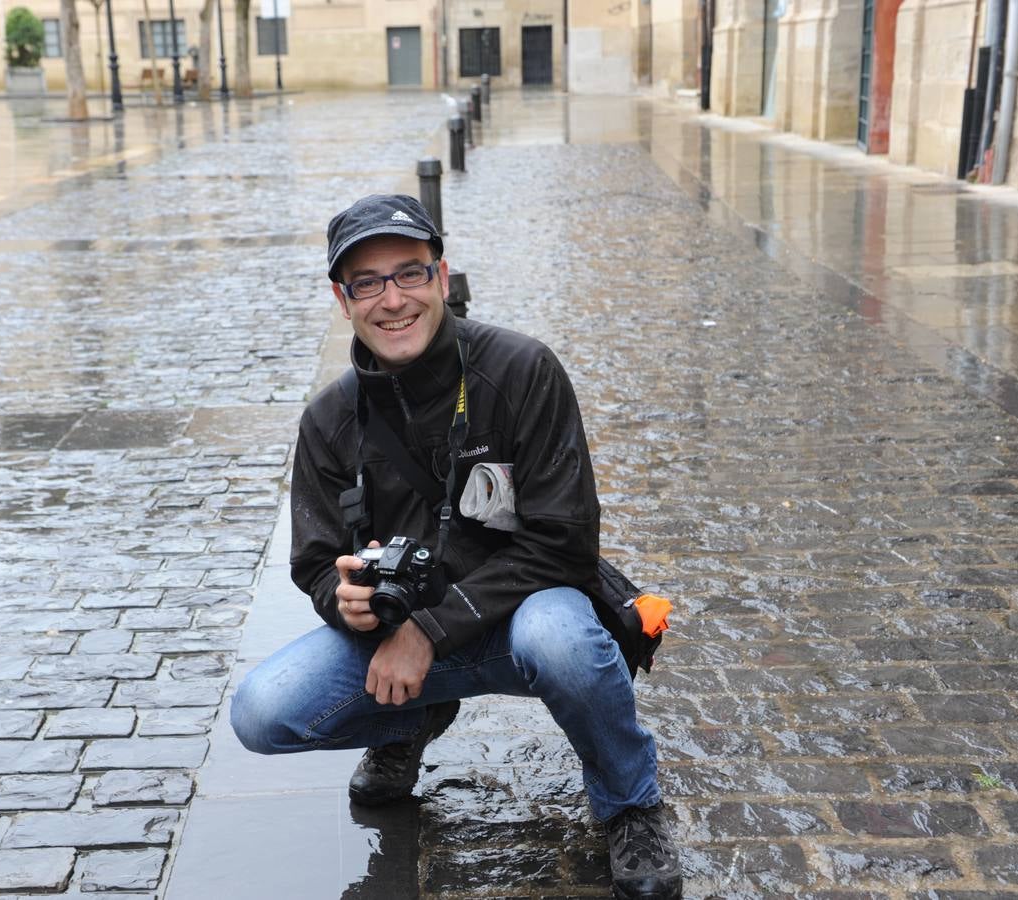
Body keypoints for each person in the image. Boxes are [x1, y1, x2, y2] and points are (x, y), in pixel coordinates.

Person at [230, 194, 683, 899]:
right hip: (400, 637)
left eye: (409, 274)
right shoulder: (327, 421)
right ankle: (411, 718)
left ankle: (631, 804)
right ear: (341, 299)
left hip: (526, 617)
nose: (392, 300)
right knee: (260, 711)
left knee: (565, 641)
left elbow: (564, 543)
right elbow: (315, 561)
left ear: (441, 278)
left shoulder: (522, 371)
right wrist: (341, 600)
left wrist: (426, 634)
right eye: (368, 283)